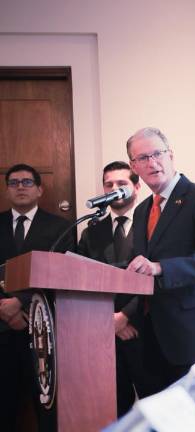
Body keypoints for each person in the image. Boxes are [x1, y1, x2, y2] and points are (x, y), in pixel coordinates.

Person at [125, 127, 195, 393]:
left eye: (157, 154)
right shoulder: (141, 211)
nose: (152, 162)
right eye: (143, 158)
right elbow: (139, 267)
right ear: (134, 166)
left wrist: (159, 268)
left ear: (170, 155)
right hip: (151, 340)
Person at [0, 163, 73, 429]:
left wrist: (21, 302)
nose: (20, 187)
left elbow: (63, 274)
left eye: (27, 182)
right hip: (1, 329)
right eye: (14, 183)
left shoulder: (61, 227)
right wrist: (3, 309)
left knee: (47, 408)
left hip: (43, 332)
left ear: (40, 189)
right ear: (7, 190)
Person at [77, 161, 150, 416]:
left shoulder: (152, 224)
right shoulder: (91, 232)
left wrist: (126, 316)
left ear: (137, 187)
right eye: (109, 184)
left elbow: (155, 278)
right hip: (104, 334)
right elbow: (82, 280)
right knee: (114, 411)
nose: (114, 188)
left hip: (145, 329)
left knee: (155, 406)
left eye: (121, 183)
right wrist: (109, 321)